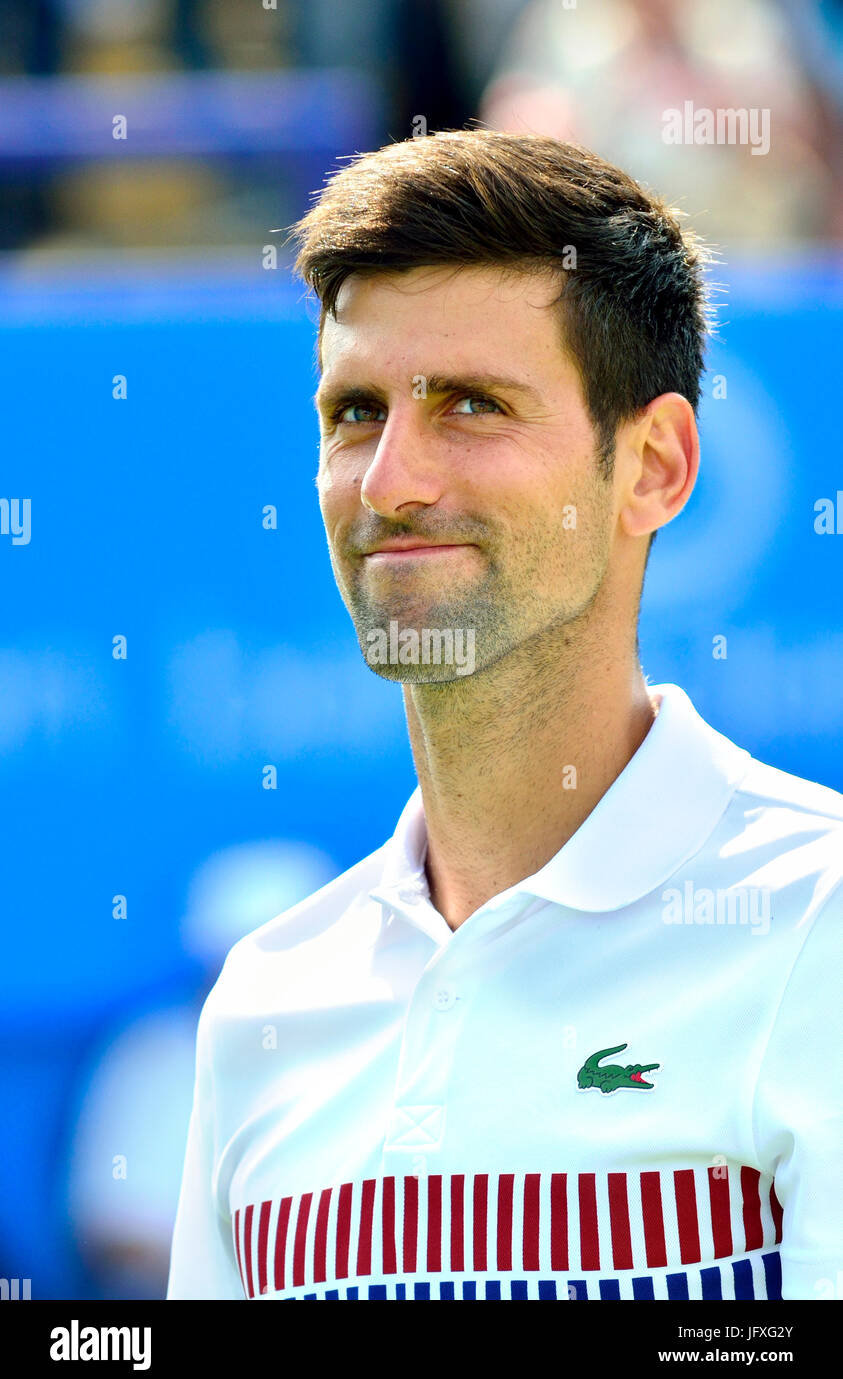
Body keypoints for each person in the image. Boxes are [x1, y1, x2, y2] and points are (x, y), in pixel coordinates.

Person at [167, 129, 842, 1301]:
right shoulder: (267, 1000)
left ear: (655, 467)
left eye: (472, 405)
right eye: (355, 413)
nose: (390, 482)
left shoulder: (818, 926)